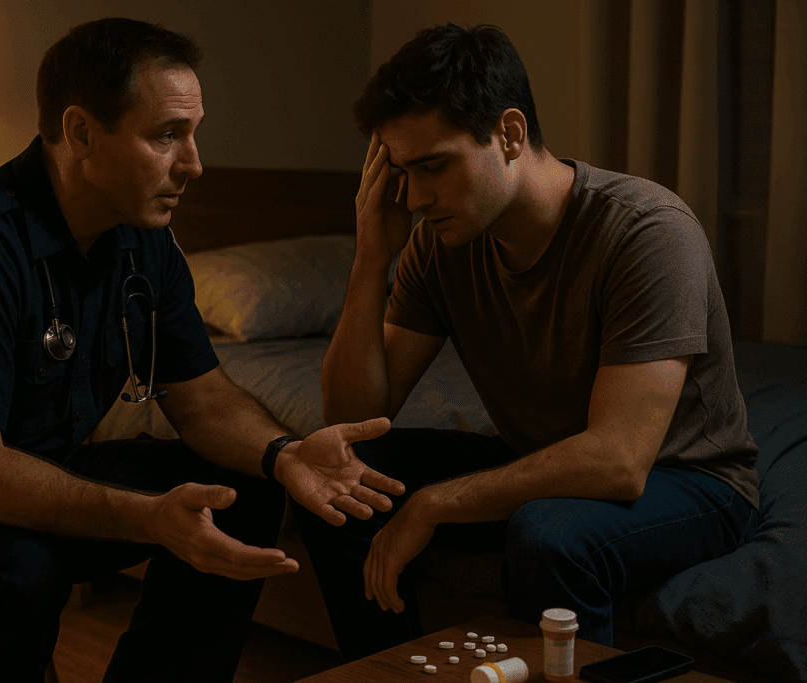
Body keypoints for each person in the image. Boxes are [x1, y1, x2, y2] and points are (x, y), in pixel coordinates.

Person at [0, 18, 403, 683]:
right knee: (16, 568)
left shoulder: (144, 237)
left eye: (192, 132)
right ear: (81, 133)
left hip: (45, 471)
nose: (194, 163)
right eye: (166, 136)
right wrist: (150, 518)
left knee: (238, 490)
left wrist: (286, 454)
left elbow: (205, 397)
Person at [291, 23, 760, 662]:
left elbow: (619, 462)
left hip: (687, 481)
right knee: (337, 479)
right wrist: (372, 257)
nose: (417, 197)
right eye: (402, 172)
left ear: (509, 135)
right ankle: (391, 672)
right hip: (546, 459)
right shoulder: (438, 241)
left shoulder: (648, 230)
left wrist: (435, 504)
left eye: (433, 167)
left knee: (550, 534)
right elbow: (352, 422)